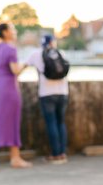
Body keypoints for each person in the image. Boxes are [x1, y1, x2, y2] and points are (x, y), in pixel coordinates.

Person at [0, 23, 33, 168]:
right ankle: (15, 157)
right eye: (12, 29)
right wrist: (26, 64)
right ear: (5, 32)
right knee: (12, 121)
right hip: (8, 89)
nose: (15, 31)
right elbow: (15, 70)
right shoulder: (11, 49)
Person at [24, 34, 69, 164]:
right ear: (53, 42)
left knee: (51, 123)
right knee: (61, 122)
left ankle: (55, 155)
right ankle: (62, 154)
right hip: (63, 92)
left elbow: (20, 67)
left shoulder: (36, 54)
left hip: (46, 93)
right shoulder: (61, 53)